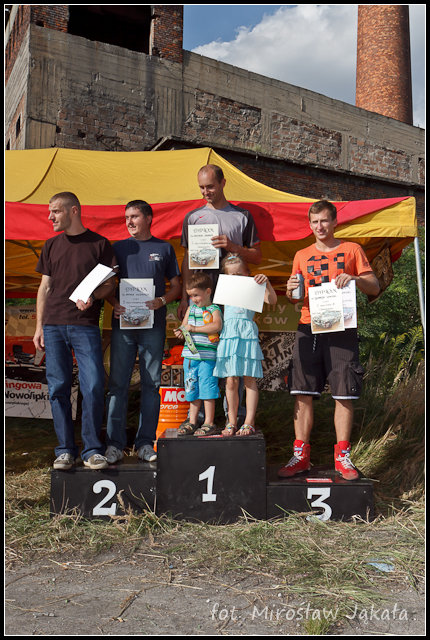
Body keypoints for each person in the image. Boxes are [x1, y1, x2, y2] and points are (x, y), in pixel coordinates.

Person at [278, 200, 380, 480]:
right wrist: (290, 290)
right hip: (308, 326)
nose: (319, 226)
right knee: (302, 393)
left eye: (324, 221)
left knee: (344, 393)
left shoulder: (352, 249)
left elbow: (374, 286)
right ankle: (300, 456)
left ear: (335, 222)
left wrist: (355, 279)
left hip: (342, 327)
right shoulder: (301, 254)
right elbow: (294, 297)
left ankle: (343, 458)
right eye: (314, 222)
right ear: (309, 224)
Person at [33, 192, 117, 470]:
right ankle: (65, 450)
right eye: (50, 212)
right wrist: (38, 326)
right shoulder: (50, 245)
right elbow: (44, 287)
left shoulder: (99, 244)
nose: (50, 217)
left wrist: (93, 295)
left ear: (74, 211)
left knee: (93, 385)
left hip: (85, 325)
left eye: (55, 211)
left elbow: (110, 284)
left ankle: (92, 449)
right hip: (53, 325)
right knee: (58, 388)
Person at [178, 163, 262, 425]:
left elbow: (257, 256)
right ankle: (202, 418)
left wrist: (233, 246)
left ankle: (232, 418)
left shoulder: (242, 216)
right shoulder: (192, 217)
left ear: (223, 183)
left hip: (233, 296)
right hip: (202, 297)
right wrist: (185, 298)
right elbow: (187, 259)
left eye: (211, 186)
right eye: (202, 188)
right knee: (202, 354)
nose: (206, 192)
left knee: (232, 358)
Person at [104, 200, 181, 464]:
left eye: (135, 216)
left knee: (152, 384)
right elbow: (105, 285)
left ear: (149, 218)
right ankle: (114, 445)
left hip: (153, 326)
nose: (129, 221)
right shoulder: (117, 248)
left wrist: (162, 300)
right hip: (123, 326)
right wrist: (114, 303)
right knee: (117, 384)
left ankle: (145, 443)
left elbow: (176, 286)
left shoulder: (164, 248)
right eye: (126, 217)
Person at [213, 253, 277, 436]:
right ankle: (231, 421)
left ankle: (249, 421)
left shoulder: (254, 286)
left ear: (247, 273)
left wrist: (266, 283)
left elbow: (272, 300)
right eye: (232, 275)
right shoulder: (224, 289)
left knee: (249, 379)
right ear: (226, 276)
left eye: (240, 273)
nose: (236, 277)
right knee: (231, 381)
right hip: (229, 335)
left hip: (247, 335)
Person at [173, 272, 223, 436]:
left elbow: (216, 326)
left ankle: (209, 422)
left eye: (196, 295)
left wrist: (194, 328)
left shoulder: (214, 309)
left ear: (208, 291)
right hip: (190, 357)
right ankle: (192, 421)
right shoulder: (191, 309)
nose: (193, 299)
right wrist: (180, 332)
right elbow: (184, 326)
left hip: (207, 358)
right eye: (190, 296)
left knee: (207, 388)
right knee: (191, 388)